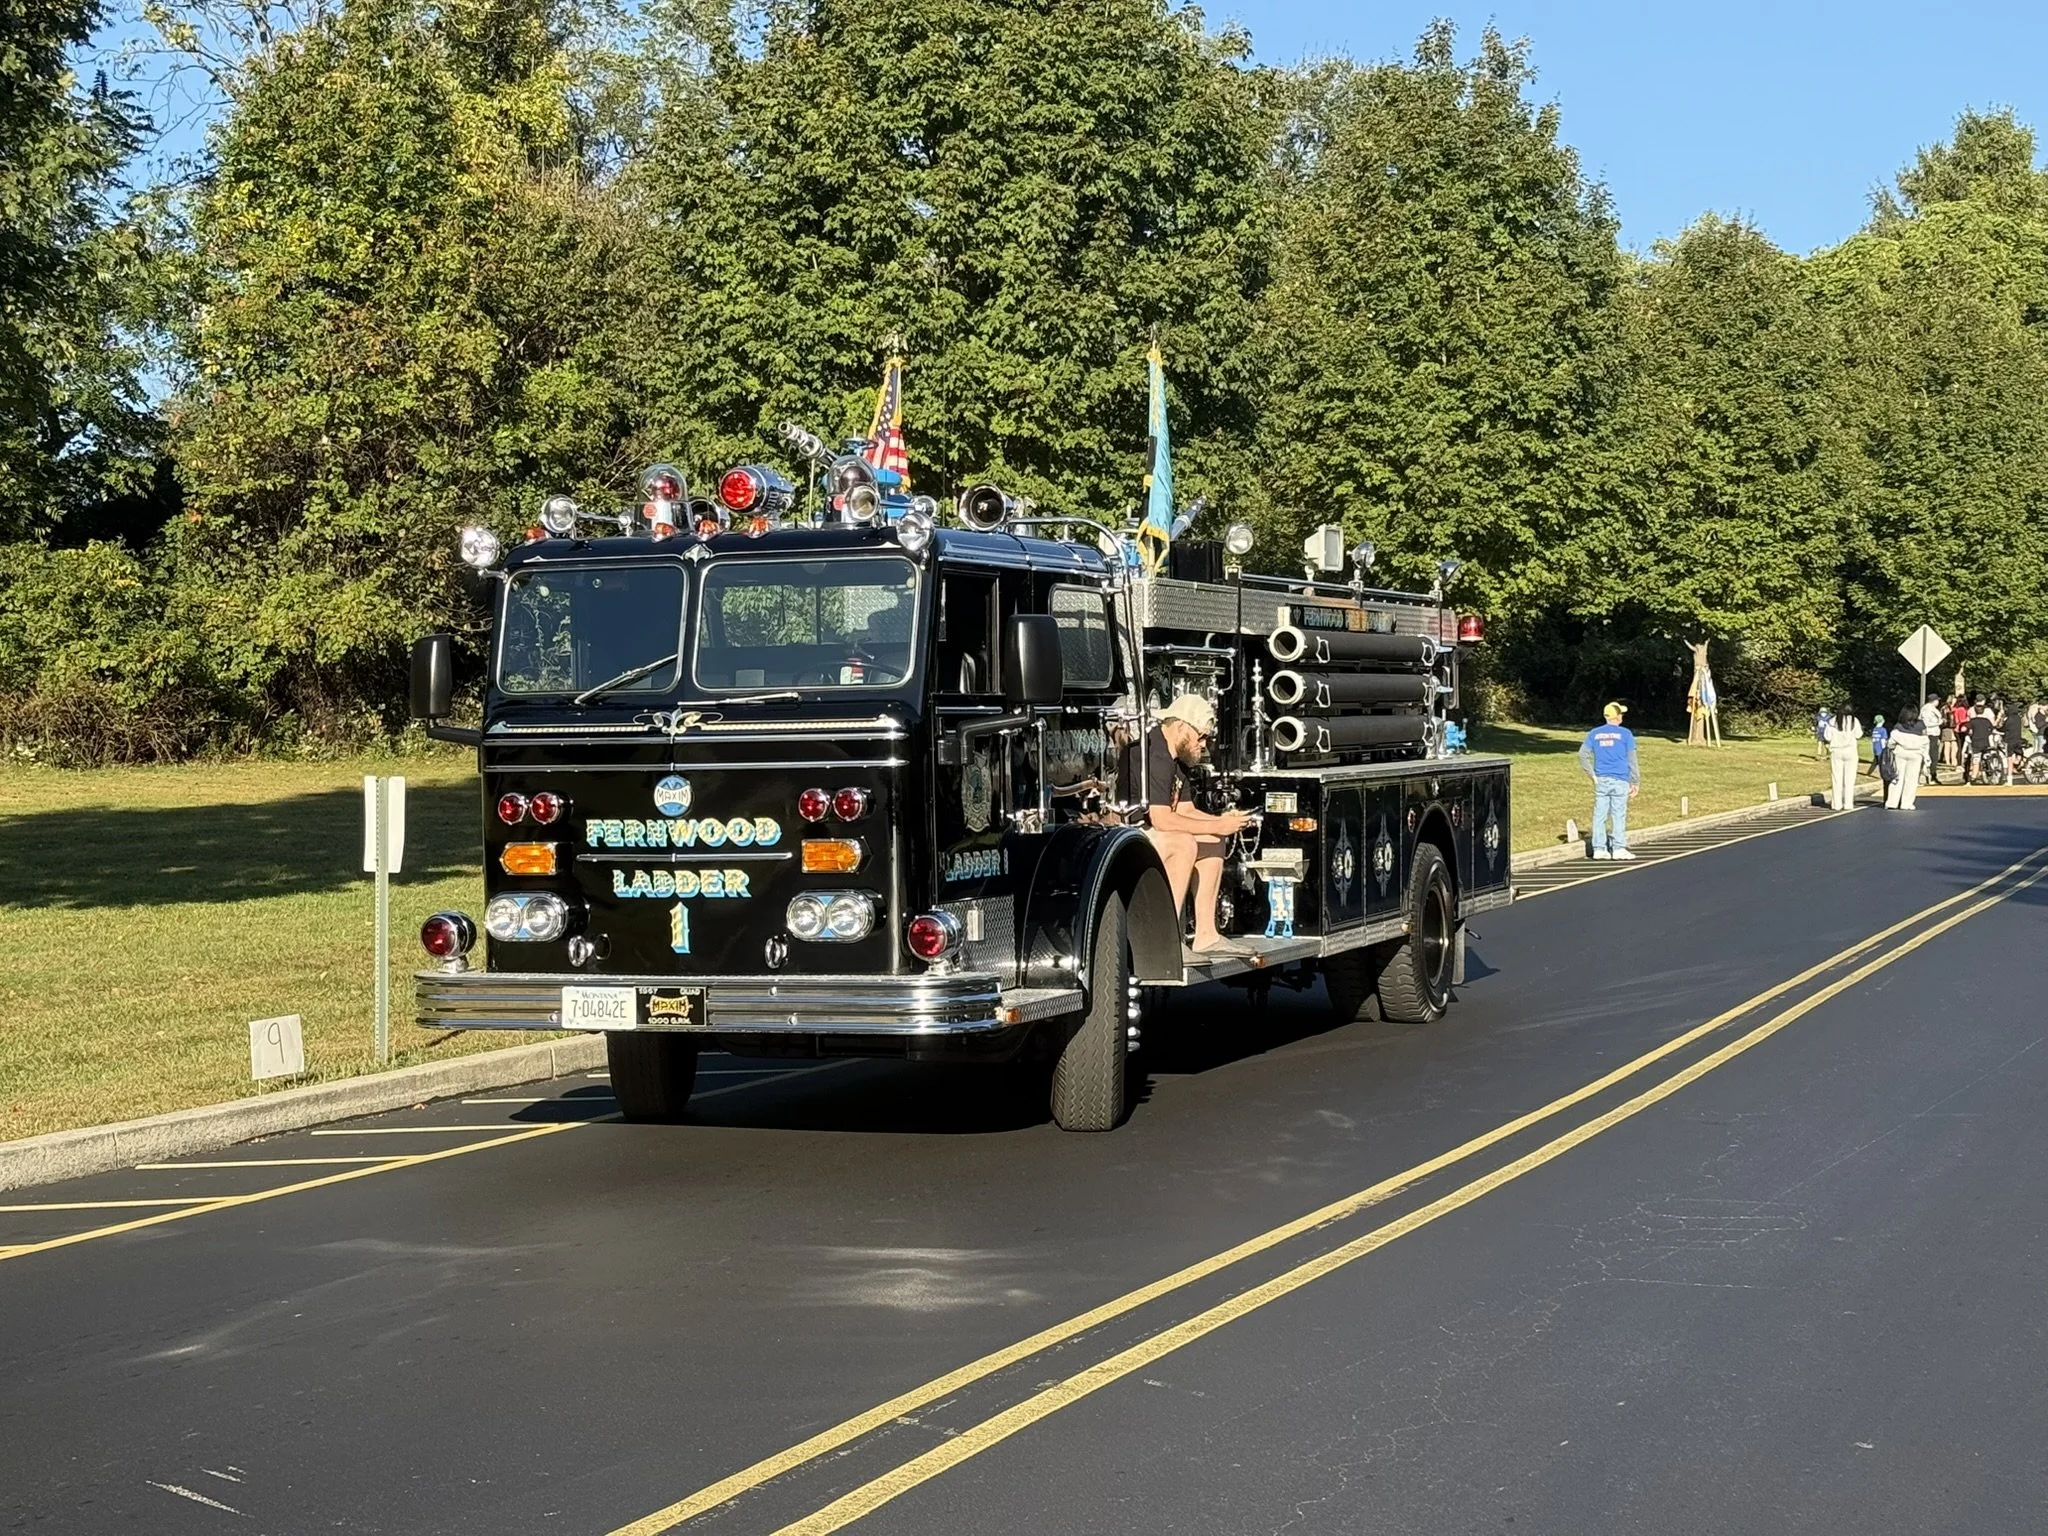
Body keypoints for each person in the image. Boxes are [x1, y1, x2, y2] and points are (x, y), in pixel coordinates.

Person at [1121, 693, 1252, 954]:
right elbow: (1161, 818)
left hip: (1154, 831)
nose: (1203, 744)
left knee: (1213, 840)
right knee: (1183, 844)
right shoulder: (1153, 753)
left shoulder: (1176, 758)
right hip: (1131, 831)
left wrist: (1223, 823)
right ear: (1181, 726)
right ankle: (1167, 939)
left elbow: (1186, 810)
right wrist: (1217, 825)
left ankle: (1206, 934)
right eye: (1200, 736)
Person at [1578, 702, 1640, 860]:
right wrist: (1635, 781)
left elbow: (1582, 754)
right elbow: (1632, 759)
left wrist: (1592, 775)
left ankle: (1599, 848)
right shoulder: (1625, 734)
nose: (1622, 717)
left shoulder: (1594, 733)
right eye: (1621, 714)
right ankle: (1618, 848)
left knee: (1600, 814)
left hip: (1601, 779)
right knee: (1619, 814)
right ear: (1617, 716)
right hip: (1620, 779)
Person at [1886, 706, 1928, 809]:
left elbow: (1891, 742)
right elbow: (1926, 740)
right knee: (1912, 780)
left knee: (1897, 778)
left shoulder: (1899, 725)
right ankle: (1907, 803)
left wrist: (1891, 748)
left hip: (1900, 753)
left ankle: (1892, 802)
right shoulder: (1921, 725)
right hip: (1916, 754)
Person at [1824, 707, 1863, 811]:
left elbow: (1827, 737)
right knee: (1849, 779)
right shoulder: (1854, 721)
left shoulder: (1832, 721)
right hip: (1850, 751)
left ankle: (1836, 804)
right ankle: (1848, 804)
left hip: (1836, 751)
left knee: (1836, 778)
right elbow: (1859, 735)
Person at [1964, 696, 1996, 783]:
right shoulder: (1988, 712)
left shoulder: (1971, 710)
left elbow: (1967, 722)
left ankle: (1973, 773)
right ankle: (1989, 766)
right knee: (1988, 752)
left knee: (1974, 756)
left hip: (1974, 737)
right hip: (1986, 737)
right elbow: (1992, 724)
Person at [1867, 714, 1889, 780]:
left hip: (1875, 748)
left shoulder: (1874, 729)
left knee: (1876, 761)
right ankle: (1883, 776)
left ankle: (1868, 773)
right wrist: (1884, 748)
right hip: (1881, 749)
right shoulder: (1883, 730)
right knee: (1882, 763)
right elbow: (1883, 740)